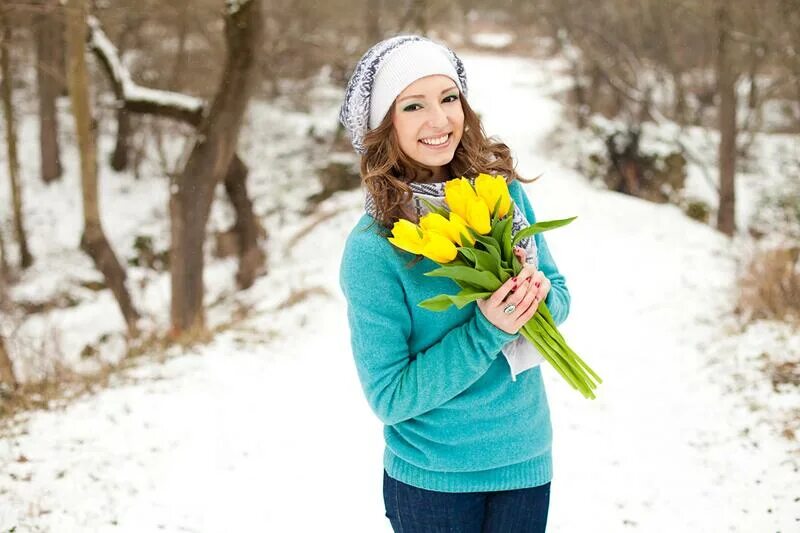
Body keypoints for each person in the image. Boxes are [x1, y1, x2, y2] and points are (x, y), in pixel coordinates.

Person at [337, 34, 571, 532]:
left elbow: (560, 295)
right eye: (413, 105)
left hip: (525, 459)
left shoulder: (498, 192)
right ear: (385, 125)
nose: (439, 120)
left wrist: (538, 297)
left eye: (448, 98)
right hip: (432, 482)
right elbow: (389, 396)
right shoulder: (375, 247)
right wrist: (488, 328)